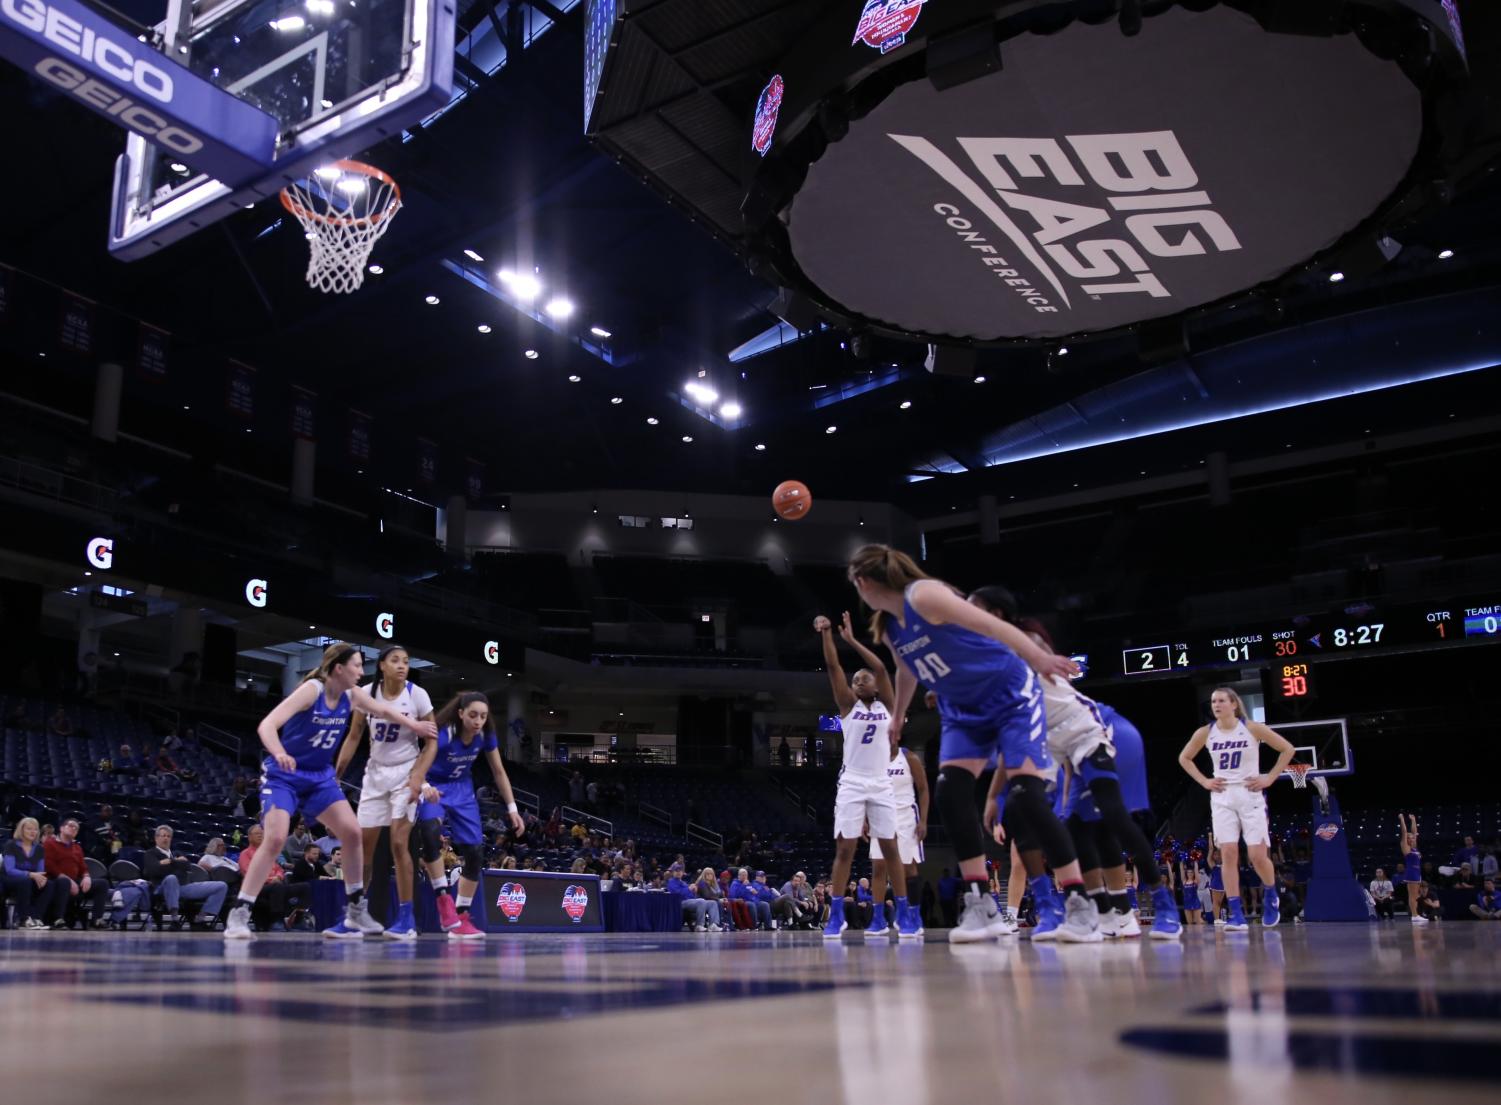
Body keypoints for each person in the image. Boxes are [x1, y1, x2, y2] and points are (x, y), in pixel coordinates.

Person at [846, 546, 1096, 944]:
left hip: (1009, 694)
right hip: (963, 710)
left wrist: (1038, 657)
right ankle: (981, 906)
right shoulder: (888, 625)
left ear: (862, 581)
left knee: (1027, 797)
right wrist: (898, 715)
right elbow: (907, 667)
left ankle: (1081, 904)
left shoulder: (924, 595)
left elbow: (993, 625)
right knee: (950, 791)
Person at [971, 591, 1179, 941]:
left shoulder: (1023, 639)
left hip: (1088, 728)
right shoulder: (989, 659)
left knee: (1111, 815)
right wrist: (993, 797)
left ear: (995, 613)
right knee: (1033, 810)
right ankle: (1078, 912)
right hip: (1049, 741)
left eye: (972, 608)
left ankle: (1164, 906)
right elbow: (1012, 734)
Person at [225, 642, 437, 941]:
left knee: (351, 833)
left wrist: (414, 725)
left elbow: (382, 709)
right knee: (274, 838)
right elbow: (267, 725)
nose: (362, 672)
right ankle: (240, 912)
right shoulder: (312, 689)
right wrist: (278, 752)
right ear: (339, 669)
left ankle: (354, 910)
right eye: (357, 666)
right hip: (284, 776)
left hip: (319, 777)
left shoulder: (352, 694)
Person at [814, 611, 918, 940]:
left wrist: (854, 641)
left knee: (891, 849)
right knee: (844, 848)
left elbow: (883, 669)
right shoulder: (848, 706)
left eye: (863, 678)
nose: (859, 681)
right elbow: (833, 668)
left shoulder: (888, 705)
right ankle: (835, 917)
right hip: (853, 781)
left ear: (874, 685)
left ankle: (902, 912)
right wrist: (827, 634)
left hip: (881, 783)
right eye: (856, 679)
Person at [333, 645, 435, 940]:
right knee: (362, 849)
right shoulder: (366, 693)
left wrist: (418, 776)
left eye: (406, 660)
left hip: (405, 773)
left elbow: (432, 741)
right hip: (375, 774)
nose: (402, 665)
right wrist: (337, 773)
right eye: (395, 660)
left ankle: (406, 919)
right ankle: (354, 916)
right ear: (381, 666)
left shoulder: (417, 694)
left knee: (399, 844)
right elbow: (354, 736)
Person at [1177, 688, 1296, 932]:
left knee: (1256, 856)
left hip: (1250, 792)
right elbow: (1184, 758)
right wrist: (1204, 781)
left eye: (1221, 700)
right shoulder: (1205, 732)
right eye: (1213, 701)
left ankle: (1271, 894)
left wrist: (1270, 777)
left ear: (1233, 704)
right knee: (1228, 854)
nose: (1216, 705)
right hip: (1222, 795)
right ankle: (1236, 914)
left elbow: (1288, 749)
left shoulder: (1252, 728)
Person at [412, 692, 525, 939]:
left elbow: (498, 771)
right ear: (461, 713)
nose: (478, 721)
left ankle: (462, 917)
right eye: (473, 715)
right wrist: (422, 787)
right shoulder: (444, 735)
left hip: (463, 789)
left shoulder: (485, 735)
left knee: (475, 853)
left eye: (483, 716)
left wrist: (513, 808)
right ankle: (443, 899)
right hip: (434, 786)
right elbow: (417, 765)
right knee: (430, 832)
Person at [871, 713, 929, 938]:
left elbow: (923, 789)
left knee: (908, 869)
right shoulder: (873, 759)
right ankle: (877, 919)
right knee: (878, 867)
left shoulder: (910, 758)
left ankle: (913, 915)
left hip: (906, 817)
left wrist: (923, 820)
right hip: (880, 816)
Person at [141, 825, 229, 929]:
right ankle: (175, 920)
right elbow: (154, 870)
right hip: (161, 887)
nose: (166, 838)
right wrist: (176, 863)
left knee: (221, 886)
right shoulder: (150, 853)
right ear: (156, 838)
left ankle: (200, 920)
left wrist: (169, 862)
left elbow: (187, 866)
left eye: (168, 836)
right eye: (163, 836)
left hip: (183, 886)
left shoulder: (176, 853)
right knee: (171, 878)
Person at [44, 817, 111, 928]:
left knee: (102, 883)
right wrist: (68, 880)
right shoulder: (50, 844)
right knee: (64, 882)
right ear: (61, 828)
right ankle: (58, 919)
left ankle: (97, 919)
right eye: (71, 826)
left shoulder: (77, 847)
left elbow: (83, 867)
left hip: (75, 882)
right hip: (57, 881)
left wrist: (86, 877)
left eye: (76, 828)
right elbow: (50, 866)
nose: (74, 828)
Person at [3, 817, 68, 929]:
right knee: (26, 880)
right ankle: (23, 919)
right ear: (21, 830)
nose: (33, 832)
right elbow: (10, 870)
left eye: (35, 829)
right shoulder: (11, 845)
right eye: (29, 829)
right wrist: (30, 874)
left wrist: (41, 878)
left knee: (49, 884)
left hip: (29, 880)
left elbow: (40, 871)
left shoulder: (39, 849)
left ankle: (36, 918)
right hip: (9, 879)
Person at [668, 866, 721, 931]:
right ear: (673, 872)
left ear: (682, 872)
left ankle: (713, 925)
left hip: (689, 901)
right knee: (701, 901)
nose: (678, 873)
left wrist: (693, 892)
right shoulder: (671, 882)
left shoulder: (683, 883)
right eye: (676, 871)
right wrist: (689, 889)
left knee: (712, 903)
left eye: (680, 871)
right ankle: (699, 925)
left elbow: (690, 895)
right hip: (680, 902)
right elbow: (677, 893)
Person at [1399, 813, 1425, 925]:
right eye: (1409, 838)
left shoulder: (1414, 847)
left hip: (1417, 872)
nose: (1411, 838)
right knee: (1413, 895)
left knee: (1417, 895)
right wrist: (1402, 819)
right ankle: (1414, 915)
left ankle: (1416, 914)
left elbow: (1415, 833)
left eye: (1412, 838)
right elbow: (1404, 832)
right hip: (1411, 872)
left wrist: (1414, 820)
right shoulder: (1406, 847)